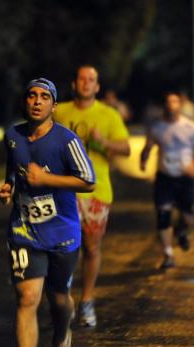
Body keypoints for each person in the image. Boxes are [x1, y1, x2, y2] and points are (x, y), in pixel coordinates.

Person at [0, 78, 95, 347]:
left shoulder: (67, 141)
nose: (37, 101)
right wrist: (8, 187)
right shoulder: (13, 136)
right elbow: (14, 171)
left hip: (63, 233)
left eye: (44, 97)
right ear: (25, 102)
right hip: (24, 230)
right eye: (31, 96)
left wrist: (47, 178)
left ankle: (62, 336)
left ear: (54, 105)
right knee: (27, 299)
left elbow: (88, 181)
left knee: (58, 299)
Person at [53, 65, 130, 327]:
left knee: (91, 247)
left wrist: (104, 142)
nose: (86, 83)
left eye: (92, 80)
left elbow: (126, 148)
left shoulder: (109, 115)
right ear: (74, 84)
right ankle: (62, 303)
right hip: (63, 190)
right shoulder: (59, 111)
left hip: (97, 191)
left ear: (97, 87)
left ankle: (86, 301)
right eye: (82, 79)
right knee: (61, 249)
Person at [140, 92, 194, 269]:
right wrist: (144, 159)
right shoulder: (157, 127)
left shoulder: (189, 127)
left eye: (174, 102)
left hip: (185, 177)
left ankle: (182, 231)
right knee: (163, 215)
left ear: (180, 105)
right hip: (165, 177)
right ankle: (168, 254)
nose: (171, 105)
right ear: (164, 106)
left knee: (189, 216)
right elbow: (149, 145)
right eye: (168, 102)